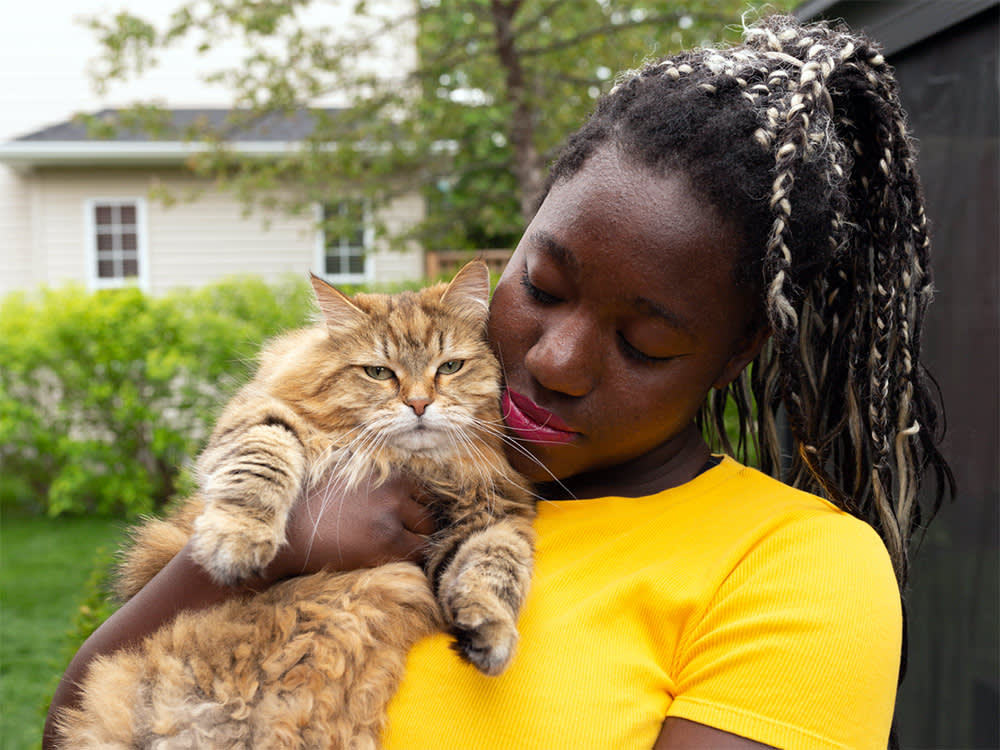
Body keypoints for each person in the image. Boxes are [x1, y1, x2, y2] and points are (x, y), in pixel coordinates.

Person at [44, 13, 952, 750]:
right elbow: (73, 728)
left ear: (737, 353)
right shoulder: (374, 448)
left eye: (642, 343)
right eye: (541, 286)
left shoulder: (797, 569)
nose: (555, 360)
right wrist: (272, 547)